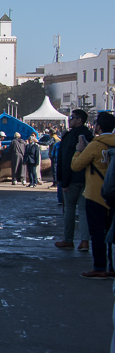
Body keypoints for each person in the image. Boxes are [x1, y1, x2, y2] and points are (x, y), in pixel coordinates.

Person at [70, 110, 115, 279]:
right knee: (112, 233)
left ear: (99, 127)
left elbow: (76, 166)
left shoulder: (96, 145)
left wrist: (79, 150)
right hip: (114, 196)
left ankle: (99, 266)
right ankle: (112, 265)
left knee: (97, 233)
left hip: (96, 195)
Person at [56, 109, 93, 251]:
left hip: (71, 179)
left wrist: (63, 181)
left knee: (69, 209)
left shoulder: (70, 137)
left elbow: (65, 160)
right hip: (87, 179)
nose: (69, 120)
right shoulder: (90, 136)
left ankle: (68, 239)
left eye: (72, 117)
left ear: (79, 120)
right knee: (84, 210)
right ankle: (85, 241)